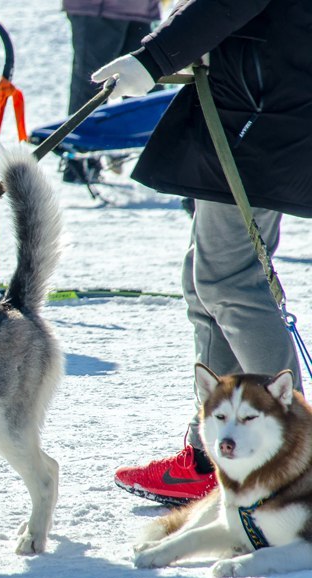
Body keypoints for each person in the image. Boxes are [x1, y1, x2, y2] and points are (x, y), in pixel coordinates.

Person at [93, 0, 311, 505]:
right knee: (206, 285)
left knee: (229, 284)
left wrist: (152, 60)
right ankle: (209, 458)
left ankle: (291, 459)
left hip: (262, 118)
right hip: (251, 112)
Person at [61, 0, 160, 184]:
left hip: (142, 10)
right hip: (100, 9)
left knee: (149, 86)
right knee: (94, 83)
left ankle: (150, 164)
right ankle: (81, 164)